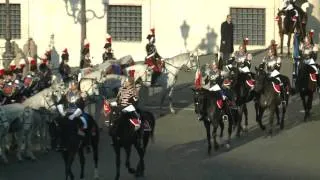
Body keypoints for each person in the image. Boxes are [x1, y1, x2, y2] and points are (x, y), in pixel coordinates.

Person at [56, 79, 89, 151]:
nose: (70, 86)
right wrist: (62, 112)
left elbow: (81, 106)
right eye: (70, 84)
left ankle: (83, 141)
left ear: (76, 85)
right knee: (58, 124)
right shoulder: (66, 94)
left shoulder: (81, 94)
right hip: (67, 113)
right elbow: (60, 103)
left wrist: (74, 115)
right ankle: (61, 142)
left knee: (83, 124)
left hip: (78, 113)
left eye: (72, 84)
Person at [116, 70, 143, 145]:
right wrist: (117, 103)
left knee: (137, 122)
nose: (125, 83)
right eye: (125, 82)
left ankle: (138, 137)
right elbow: (118, 98)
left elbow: (136, 99)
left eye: (126, 82)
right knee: (115, 120)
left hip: (129, 107)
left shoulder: (133, 89)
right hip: (121, 107)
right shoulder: (121, 89)